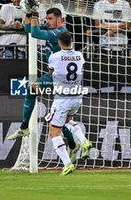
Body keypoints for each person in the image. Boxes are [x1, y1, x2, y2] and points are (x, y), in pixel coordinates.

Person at [7, 7, 87, 163]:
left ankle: (24, 127)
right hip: (62, 81)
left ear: (59, 19)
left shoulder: (58, 33)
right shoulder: (53, 29)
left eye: (50, 19)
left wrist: (35, 14)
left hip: (56, 78)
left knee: (31, 89)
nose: (47, 21)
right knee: (58, 120)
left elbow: (35, 33)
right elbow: (28, 28)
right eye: (47, 19)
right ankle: (72, 144)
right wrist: (29, 14)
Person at [47, 31, 91, 175]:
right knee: (67, 121)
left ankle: (67, 164)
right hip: (77, 96)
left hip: (63, 98)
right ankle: (84, 141)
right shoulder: (79, 56)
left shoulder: (54, 56)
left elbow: (50, 71)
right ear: (71, 41)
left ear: (59, 42)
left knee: (54, 132)